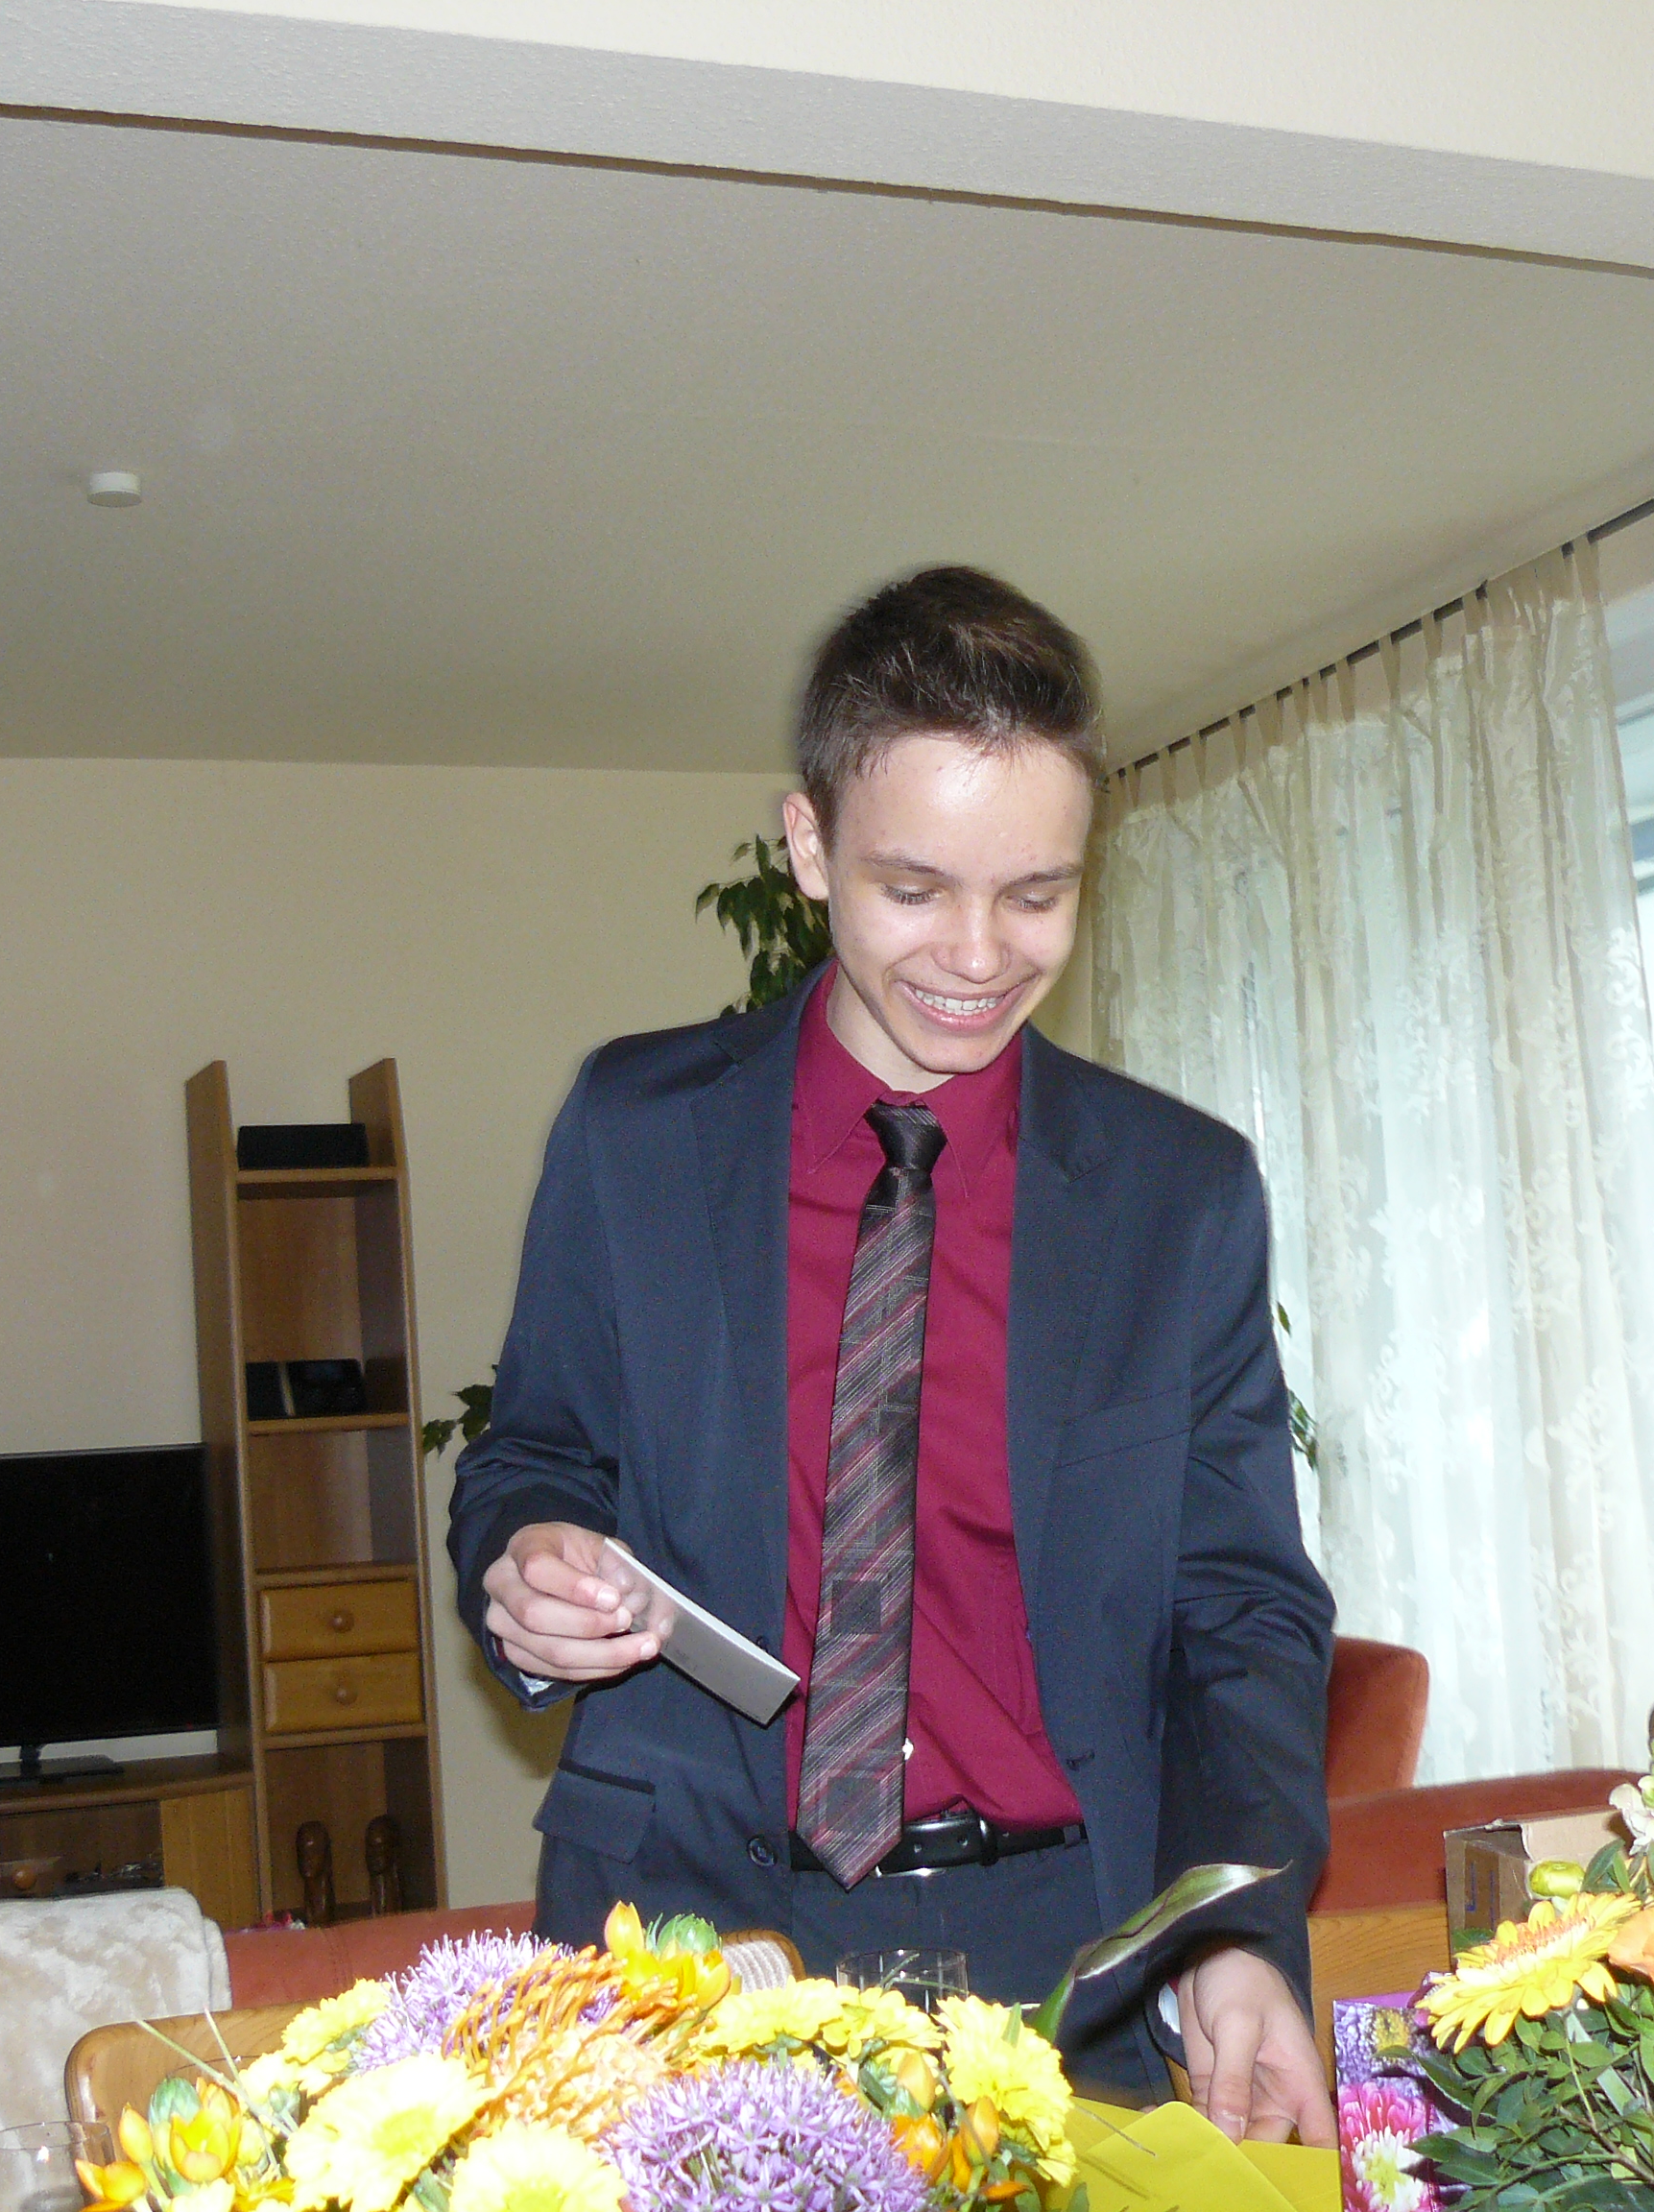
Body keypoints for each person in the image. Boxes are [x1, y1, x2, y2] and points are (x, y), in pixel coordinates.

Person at [446, 565, 1335, 2140]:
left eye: (1036, 894)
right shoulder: (634, 1133)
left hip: (1069, 1965)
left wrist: (1235, 1924)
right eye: (915, 889)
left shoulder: (1181, 1195)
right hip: (683, 1939)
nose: (979, 955)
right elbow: (536, 1450)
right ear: (809, 846)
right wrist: (525, 1557)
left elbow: (1241, 1611)